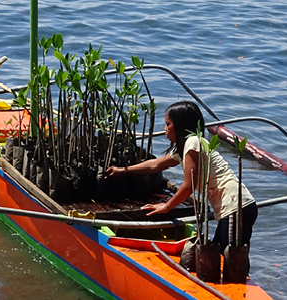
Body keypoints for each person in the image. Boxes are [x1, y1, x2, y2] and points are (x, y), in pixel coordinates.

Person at [105, 101, 258, 250]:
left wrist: (166, 206)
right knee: (223, 255)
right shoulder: (185, 147)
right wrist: (122, 170)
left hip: (235, 206)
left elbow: (189, 185)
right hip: (235, 207)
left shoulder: (193, 142)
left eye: (168, 124)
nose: (165, 129)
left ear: (180, 126)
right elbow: (156, 165)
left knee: (230, 258)